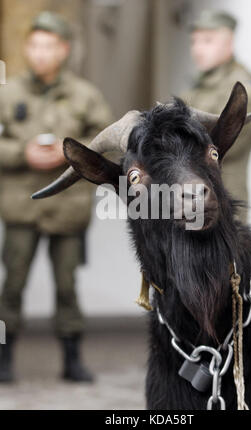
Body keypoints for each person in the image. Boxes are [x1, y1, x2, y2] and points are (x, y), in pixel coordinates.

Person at [0, 11, 114, 382]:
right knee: (12, 284)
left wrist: (70, 154)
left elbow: (107, 145)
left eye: (48, 46)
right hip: (21, 205)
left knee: (67, 285)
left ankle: (72, 359)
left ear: (63, 50)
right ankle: (3, 358)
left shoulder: (86, 96)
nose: (40, 53)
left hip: (68, 209)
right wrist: (23, 153)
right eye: (34, 45)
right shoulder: (8, 93)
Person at [182, 9, 251, 222]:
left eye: (207, 41)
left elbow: (227, 144)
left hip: (225, 203)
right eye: (194, 42)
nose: (197, 49)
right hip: (193, 199)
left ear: (229, 43)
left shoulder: (243, 89)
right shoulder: (200, 86)